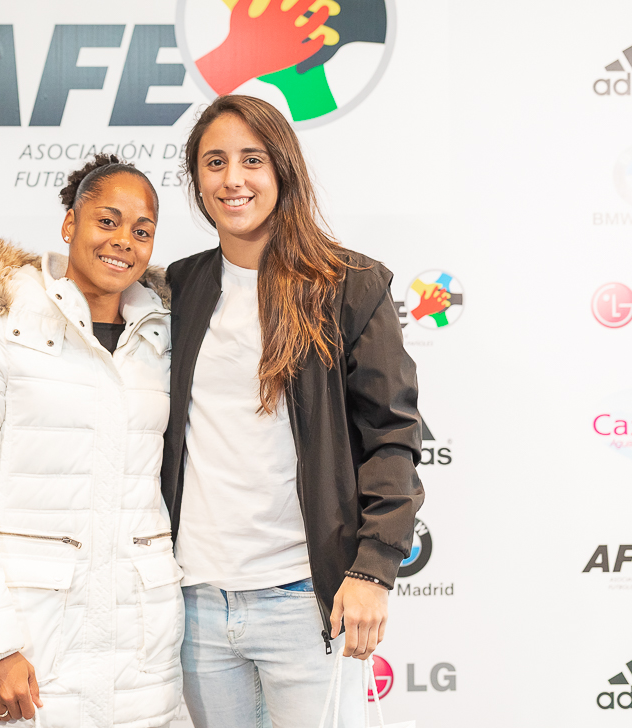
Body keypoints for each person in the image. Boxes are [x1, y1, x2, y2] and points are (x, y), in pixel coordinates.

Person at [161, 95, 424, 728]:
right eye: (214, 162)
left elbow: (391, 436)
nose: (233, 179)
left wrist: (373, 569)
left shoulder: (350, 285)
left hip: (305, 601)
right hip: (195, 602)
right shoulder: (180, 287)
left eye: (251, 160)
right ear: (197, 180)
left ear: (283, 168)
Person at [0, 154, 183, 728]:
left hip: (141, 656)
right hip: (29, 645)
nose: (124, 240)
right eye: (107, 221)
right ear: (70, 224)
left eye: (142, 231)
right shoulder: (0, 322)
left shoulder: (166, 336)